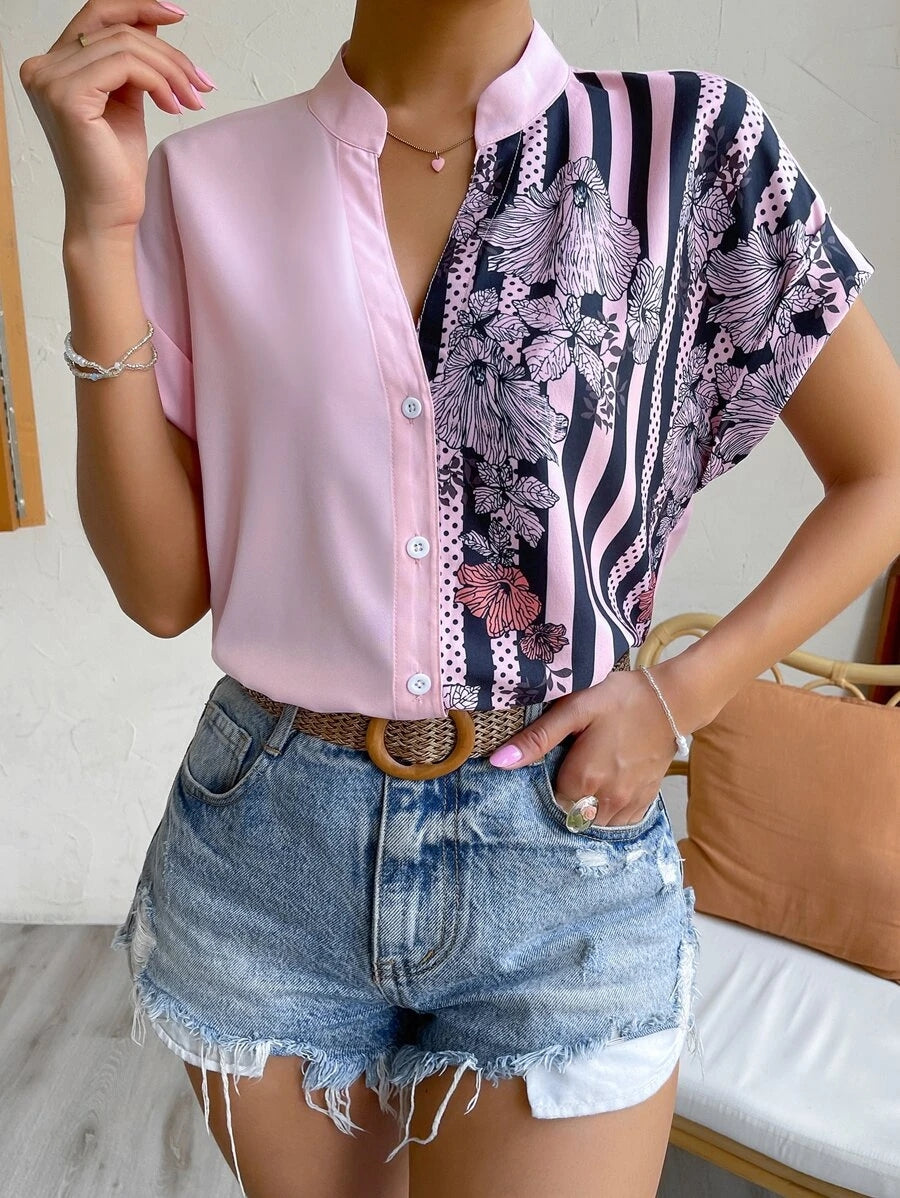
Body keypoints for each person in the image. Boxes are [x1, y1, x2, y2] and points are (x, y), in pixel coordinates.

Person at [19, 1, 900, 1195]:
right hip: (268, 850)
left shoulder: (687, 148)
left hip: (560, 848)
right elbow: (162, 590)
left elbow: (883, 473)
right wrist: (97, 233)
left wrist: (680, 694)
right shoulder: (204, 183)